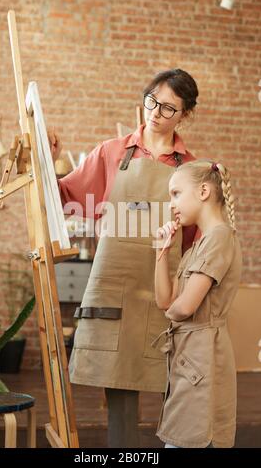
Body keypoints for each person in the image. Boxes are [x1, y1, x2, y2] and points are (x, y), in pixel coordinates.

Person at [49, 69, 199, 447]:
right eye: (152, 100)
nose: (156, 113)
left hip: (166, 290)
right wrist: (49, 164)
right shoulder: (111, 152)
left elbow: (197, 237)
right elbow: (65, 195)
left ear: (184, 114)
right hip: (117, 289)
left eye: (168, 108)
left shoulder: (192, 168)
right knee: (119, 386)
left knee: (175, 386)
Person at [154, 159, 242, 448]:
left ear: (203, 191)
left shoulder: (219, 238)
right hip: (190, 355)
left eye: (176, 193)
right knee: (183, 436)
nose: (171, 204)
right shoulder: (198, 245)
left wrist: (174, 311)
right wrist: (162, 253)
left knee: (192, 438)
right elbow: (166, 300)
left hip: (204, 357)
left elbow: (184, 307)